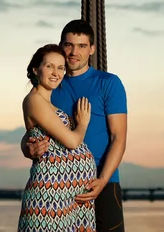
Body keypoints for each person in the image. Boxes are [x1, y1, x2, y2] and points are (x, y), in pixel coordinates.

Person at [21, 20, 128, 232]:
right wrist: (27, 147)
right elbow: (33, 128)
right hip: (62, 189)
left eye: (81, 46)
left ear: (92, 49)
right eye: (69, 45)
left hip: (102, 182)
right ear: (61, 46)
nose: (74, 52)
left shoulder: (108, 82)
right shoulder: (51, 85)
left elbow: (119, 137)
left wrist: (103, 179)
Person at [17, 44, 97, 232]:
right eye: (49, 66)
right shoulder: (34, 100)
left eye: (61, 67)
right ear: (36, 69)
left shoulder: (49, 104)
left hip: (72, 199)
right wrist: (83, 123)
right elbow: (71, 141)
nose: (56, 72)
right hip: (50, 198)